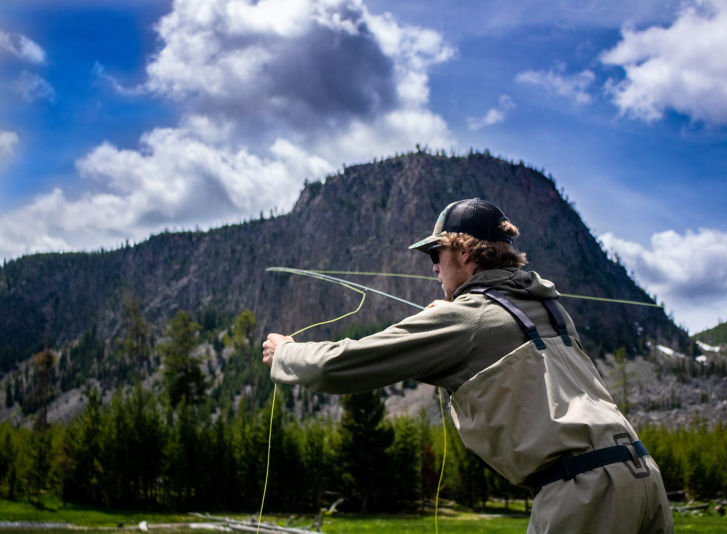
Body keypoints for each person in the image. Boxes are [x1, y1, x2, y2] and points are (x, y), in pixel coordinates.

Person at [262, 198, 673, 533]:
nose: (434, 267)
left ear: (463, 250)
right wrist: (452, 321)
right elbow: (492, 352)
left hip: (584, 493)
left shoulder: (467, 318)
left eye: (435, 254)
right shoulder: (550, 308)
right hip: (644, 476)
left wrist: (285, 352)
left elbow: (339, 366)